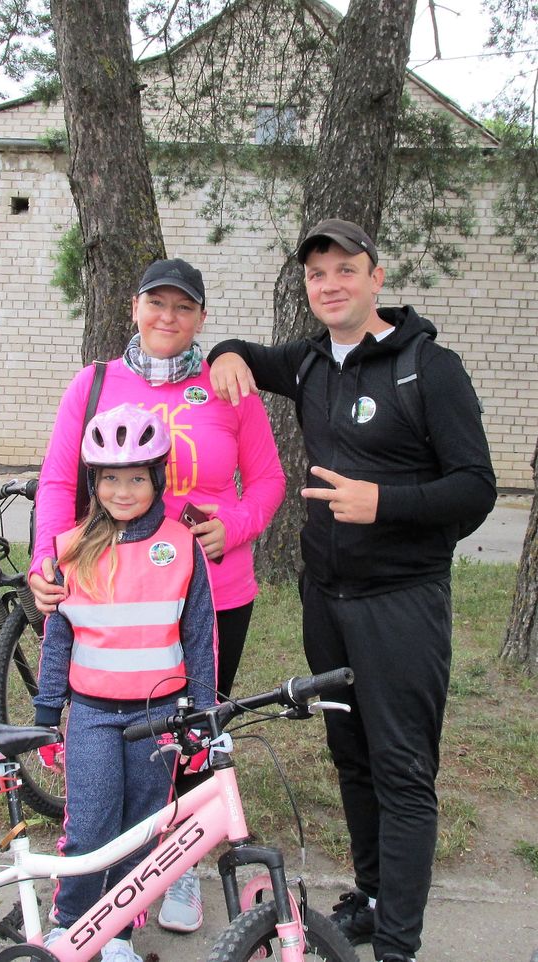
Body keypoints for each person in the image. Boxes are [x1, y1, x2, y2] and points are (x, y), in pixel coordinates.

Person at [207, 218, 497, 962]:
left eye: (345, 270)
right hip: (326, 603)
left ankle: (398, 944)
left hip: (401, 604)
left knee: (402, 769)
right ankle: (370, 897)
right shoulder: (310, 362)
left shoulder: (430, 368)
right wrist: (225, 353)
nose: (330, 284)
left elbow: (476, 487)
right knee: (352, 757)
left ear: (376, 277)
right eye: (317, 274)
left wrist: (385, 503)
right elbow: (246, 354)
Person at [29, 257, 285, 932]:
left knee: (190, 734)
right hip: (111, 592)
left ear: (201, 317)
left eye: (184, 307)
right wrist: (46, 563)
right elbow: (57, 481)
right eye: (156, 303)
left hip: (213, 591)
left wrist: (234, 526)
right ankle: (101, 887)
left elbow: (268, 481)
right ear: (134, 308)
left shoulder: (226, 385)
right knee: (111, 746)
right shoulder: (95, 384)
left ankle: (177, 869)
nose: (168, 317)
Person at [34, 404, 216, 962]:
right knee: (90, 829)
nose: (122, 491)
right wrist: (47, 714)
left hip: (158, 716)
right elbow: (57, 640)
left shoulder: (181, 545)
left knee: (140, 830)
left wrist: (202, 715)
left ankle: (117, 936)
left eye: (137, 478)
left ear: (157, 479)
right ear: (94, 482)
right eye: (110, 478)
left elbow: (199, 638)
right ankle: (69, 927)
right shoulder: (70, 547)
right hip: (91, 715)